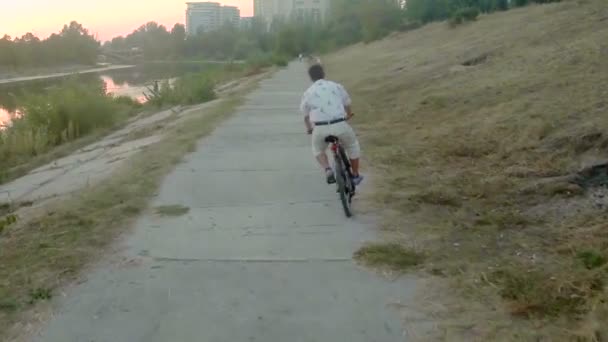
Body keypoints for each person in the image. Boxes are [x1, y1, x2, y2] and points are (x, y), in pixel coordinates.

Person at [300, 64, 363, 185]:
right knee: (352, 145)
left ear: (311, 77)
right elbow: (347, 103)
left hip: (320, 127)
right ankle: (355, 175)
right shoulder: (336, 86)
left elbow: (305, 115)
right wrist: (349, 114)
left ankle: (327, 169)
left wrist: (309, 129)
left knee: (318, 149)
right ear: (323, 73)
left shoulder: (308, 92)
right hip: (339, 124)